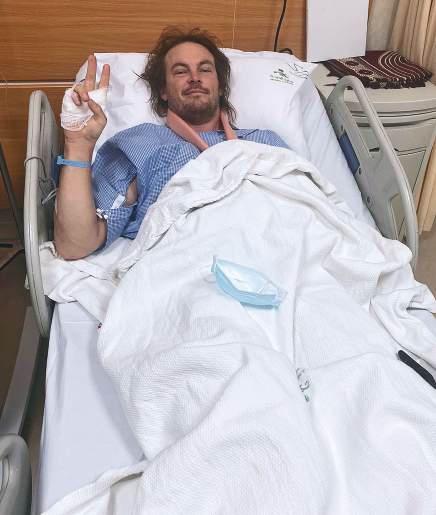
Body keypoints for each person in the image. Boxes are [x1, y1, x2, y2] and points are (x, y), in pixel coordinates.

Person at [54, 27, 289, 260]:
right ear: (164, 91)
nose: (195, 77)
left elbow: (302, 214)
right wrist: (78, 146)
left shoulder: (266, 143)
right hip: (187, 267)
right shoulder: (140, 143)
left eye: (205, 69)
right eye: (180, 71)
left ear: (220, 86)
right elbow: (76, 245)